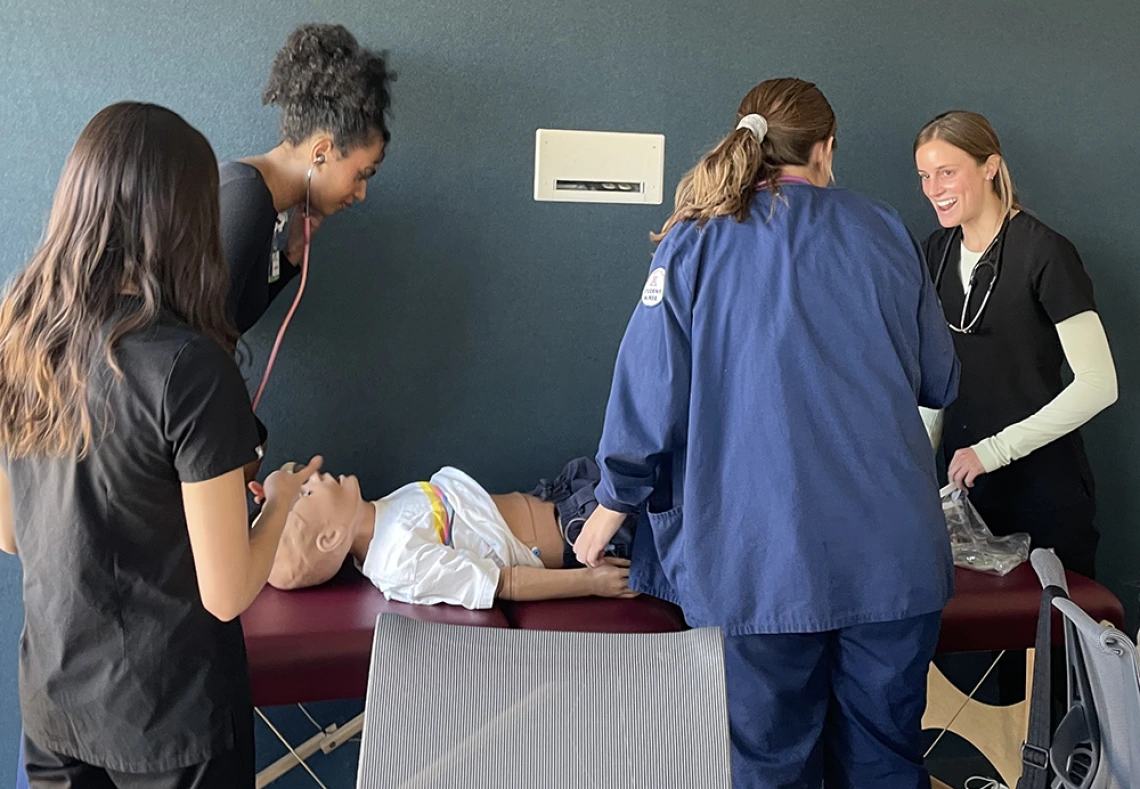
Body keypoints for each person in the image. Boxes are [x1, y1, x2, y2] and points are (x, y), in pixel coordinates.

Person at [573, 78, 959, 788]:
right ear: (826, 150)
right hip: (892, 562)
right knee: (885, 761)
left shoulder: (692, 241)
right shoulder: (885, 229)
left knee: (770, 767)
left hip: (760, 563)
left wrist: (613, 500)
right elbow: (940, 379)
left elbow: (647, 388)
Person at [0, 102, 320, 789]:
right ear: (182, 218)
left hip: (55, 710)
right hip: (172, 726)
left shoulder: (20, 333)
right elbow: (228, 590)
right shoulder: (187, 366)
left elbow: (10, 533)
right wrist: (284, 500)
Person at [914, 110, 1117, 581]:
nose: (933, 189)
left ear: (990, 167)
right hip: (969, 498)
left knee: (1053, 646)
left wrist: (994, 451)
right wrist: (918, 470)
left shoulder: (1045, 253)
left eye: (947, 172)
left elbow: (1099, 383)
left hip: (1045, 494)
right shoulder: (935, 254)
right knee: (981, 650)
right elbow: (936, 378)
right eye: (925, 175)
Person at [265, 461, 637, 607]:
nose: (312, 477)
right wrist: (591, 582)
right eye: (307, 493)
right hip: (581, 533)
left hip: (562, 493)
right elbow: (501, 583)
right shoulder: (399, 562)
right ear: (329, 538)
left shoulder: (381, 515)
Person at [222, 22, 393, 335]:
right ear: (321, 152)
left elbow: (231, 321)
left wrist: (292, 256)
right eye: (361, 175)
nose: (361, 193)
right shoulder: (244, 198)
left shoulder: (263, 202)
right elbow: (197, 342)